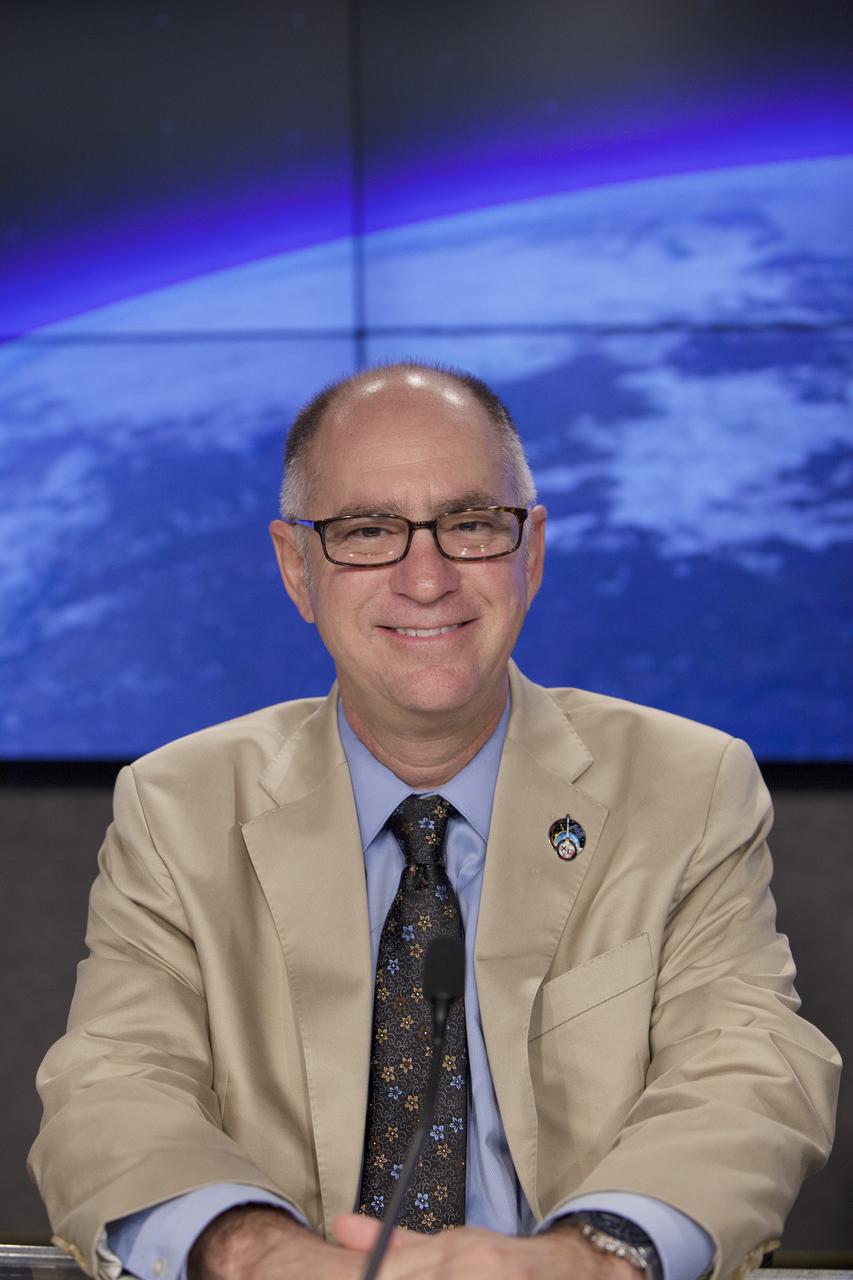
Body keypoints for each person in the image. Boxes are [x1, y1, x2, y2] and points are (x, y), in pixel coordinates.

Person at [30, 363, 840, 1280]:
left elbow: (746, 1072)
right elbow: (113, 1087)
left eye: (469, 525)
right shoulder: (177, 807)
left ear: (529, 552)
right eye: (367, 531)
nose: (426, 579)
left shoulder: (688, 788)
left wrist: (590, 1259)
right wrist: (256, 1257)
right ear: (298, 568)